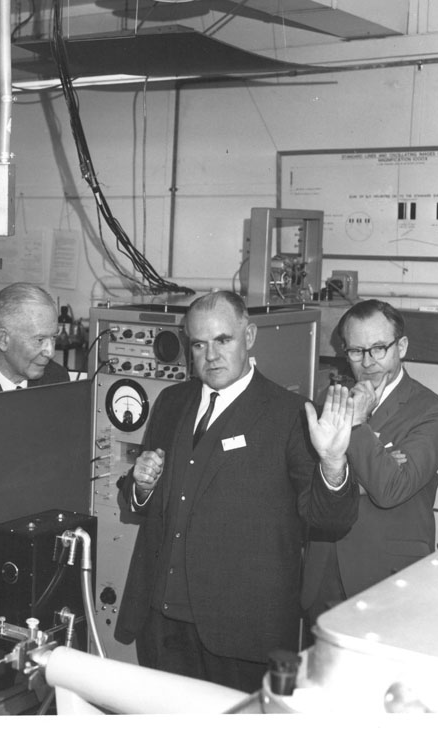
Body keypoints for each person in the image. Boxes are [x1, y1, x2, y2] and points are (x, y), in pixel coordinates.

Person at [114, 290, 359, 693]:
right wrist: (140, 485)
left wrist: (333, 462)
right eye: (198, 344)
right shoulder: (171, 402)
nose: (210, 355)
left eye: (222, 340)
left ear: (249, 337)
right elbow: (145, 502)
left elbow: (330, 520)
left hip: (237, 635)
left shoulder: (288, 414)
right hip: (160, 624)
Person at [301, 299, 438, 628]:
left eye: (378, 349)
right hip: (323, 574)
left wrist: (357, 425)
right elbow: (304, 484)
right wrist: (360, 478)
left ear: (401, 346)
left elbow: (390, 489)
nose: (368, 362)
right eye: (356, 351)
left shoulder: (434, 412)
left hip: (387, 577)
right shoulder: (326, 403)